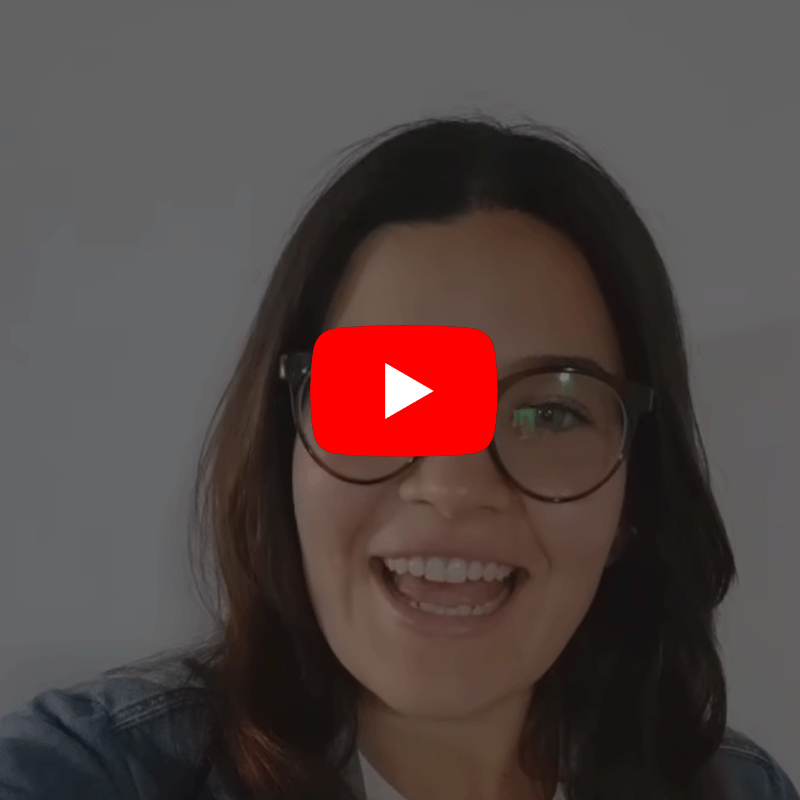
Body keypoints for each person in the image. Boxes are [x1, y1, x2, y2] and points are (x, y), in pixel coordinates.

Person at [0, 116, 796, 800]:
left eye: (550, 412)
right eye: (390, 392)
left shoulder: (736, 789)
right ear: (286, 455)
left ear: (634, 496)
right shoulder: (92, 773)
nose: (453, 483)